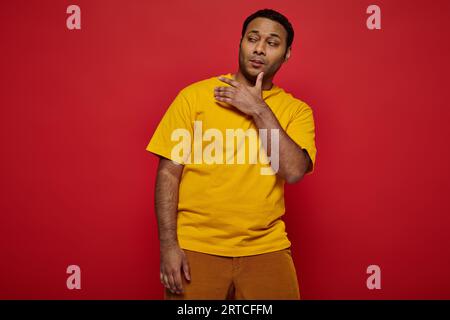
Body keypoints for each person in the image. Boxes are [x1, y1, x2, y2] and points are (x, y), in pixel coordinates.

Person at [145, 8, 317, 300]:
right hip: (196, 249)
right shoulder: (194, 98)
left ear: (287, 54)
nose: (260, 49)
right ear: (240, 43)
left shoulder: (296, 111)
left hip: (266, 248)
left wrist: (258, 109)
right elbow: (168, 173)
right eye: (253, 39)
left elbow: (293, 171)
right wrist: (168, 246)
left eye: (272, 43)